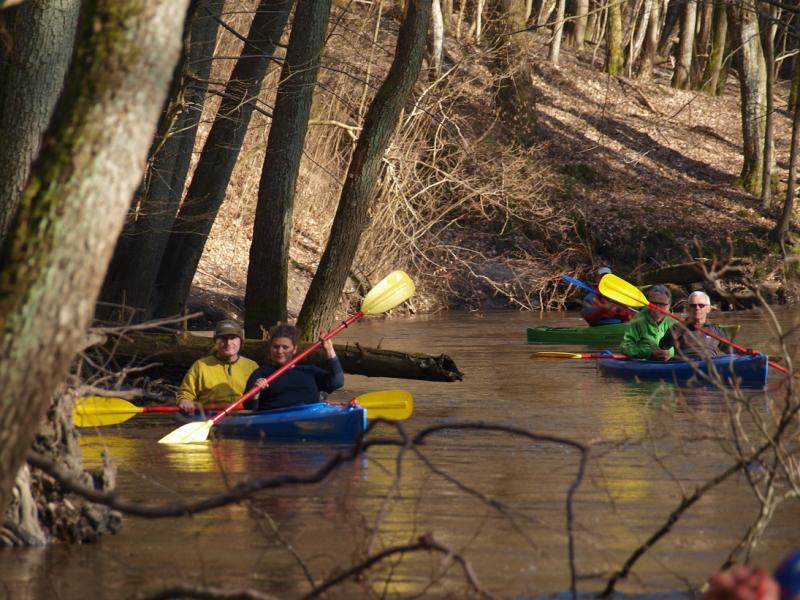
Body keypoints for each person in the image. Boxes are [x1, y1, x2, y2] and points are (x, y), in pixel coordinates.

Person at [245, 323, 344, 411]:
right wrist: (255, 395)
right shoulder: (261, 374)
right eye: (275, 347)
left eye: (285, 347)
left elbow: (337, 382)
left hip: (310, 419)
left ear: (294, 349)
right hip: (276, 421)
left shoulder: (309, 371)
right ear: (270, 348)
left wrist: (329, 349)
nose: (279, 351)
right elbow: (249, 407)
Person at [176, 319, 259, 414]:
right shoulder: (200, 366)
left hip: (245, 418)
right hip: (210, 417)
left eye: (233, 338)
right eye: (223, 338)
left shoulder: (252, 366)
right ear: (215, 341)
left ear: (241, 341)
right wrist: (185, 401)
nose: (228, 343)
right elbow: (185, 394)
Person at [658, 290, 732, 360]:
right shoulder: (677, 327)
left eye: (701, 305)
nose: (697, 308)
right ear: (688, 308)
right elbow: (663, 345)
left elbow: (731, 351)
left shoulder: (716, 330)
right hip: (683, 364)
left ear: (708, 309)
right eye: (693, 305)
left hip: (708, 365)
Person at [620, 284, 675, 360]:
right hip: (646, 363)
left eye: (662, 305)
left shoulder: (674, 321)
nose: (657, 308)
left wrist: (670, 353)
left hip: (670, 364)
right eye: (654, 304)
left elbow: (683, 348)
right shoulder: (638, 319)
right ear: (648, 303)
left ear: (669, 306)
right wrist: (649, 352)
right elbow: (625, 346)